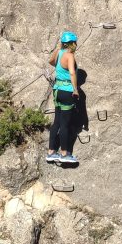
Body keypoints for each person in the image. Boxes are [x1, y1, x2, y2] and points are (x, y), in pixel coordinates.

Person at [46, 31, 79, 166]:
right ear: (72, 43)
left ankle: (51, 152)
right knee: (65, 124)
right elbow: (72, 72)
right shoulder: (70, 55)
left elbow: (50, 61)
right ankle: (64, 154)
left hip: (57, 90)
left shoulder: (59, 53)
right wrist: (75, 89)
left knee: (57, 122)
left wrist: (60, 69)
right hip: (66, 90)